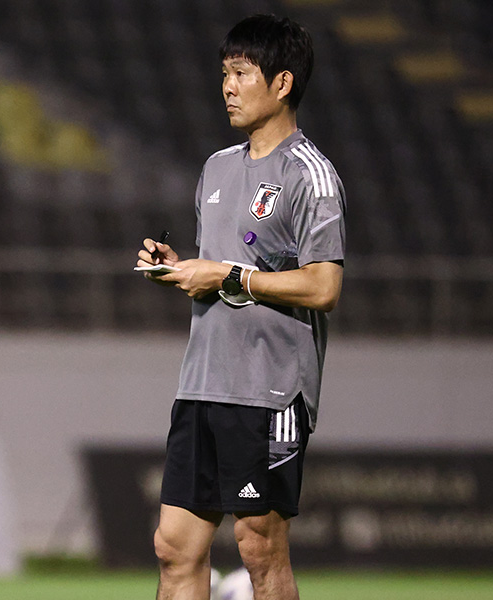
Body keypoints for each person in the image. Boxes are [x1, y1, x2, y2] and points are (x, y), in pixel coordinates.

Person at [136, 14, 345, 600]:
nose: (227, 86)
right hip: (202, 382)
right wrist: (182, 269)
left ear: (282, 83)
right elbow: (223, 271)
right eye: (224, 73)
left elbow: (324, 287)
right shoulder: (217, 167)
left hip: (268, 390)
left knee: (259, 548)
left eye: (242, 73)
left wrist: (227, 274)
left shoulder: (311, 175)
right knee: (173, 547)